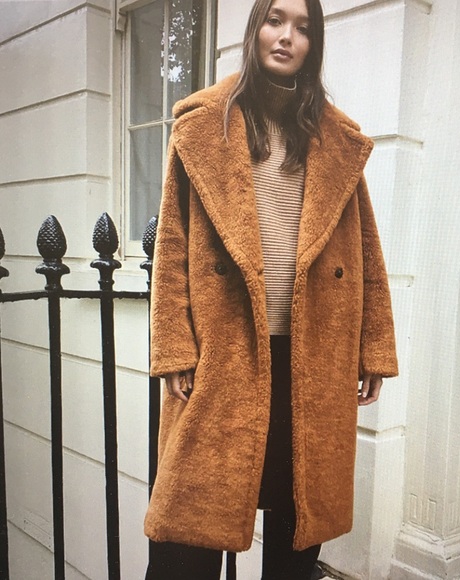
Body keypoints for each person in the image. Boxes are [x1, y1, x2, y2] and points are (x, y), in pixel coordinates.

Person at [144, 0, 398, 578]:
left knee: (296, 532)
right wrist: (175, 348)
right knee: (188, 534)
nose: (287, 37)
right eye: (275, 20)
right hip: (225, 353)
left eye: (303, 28)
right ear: (255, 28)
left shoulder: (336, 138)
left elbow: (365, 251)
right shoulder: (204, 126)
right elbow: (173, 247)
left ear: (315, 44)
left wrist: (374, 350)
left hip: (312, 358)